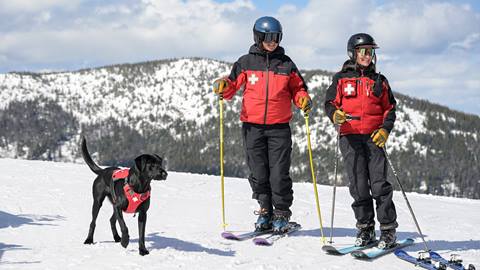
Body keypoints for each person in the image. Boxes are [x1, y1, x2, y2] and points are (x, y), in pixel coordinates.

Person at [212, 16, 311, 233]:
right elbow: (231, 85)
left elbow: (298, 89)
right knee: (258, 172)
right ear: (258, 37)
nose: (271, 42)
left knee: (278, 173)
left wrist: (303, 98)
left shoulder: (286, 64)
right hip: (252, 127)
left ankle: (282, 214)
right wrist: (222, 85)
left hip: (278, 127)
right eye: (267, 37)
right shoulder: (246, 62)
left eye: (275, 37)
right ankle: (265, 211)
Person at [324, 33, 398, 248]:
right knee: (358, 186)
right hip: (350, 137)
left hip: (374, 138)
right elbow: (329, 103)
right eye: (363, 51)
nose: (368, 55)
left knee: (379, 185)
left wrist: (385, 130)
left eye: (371, 51)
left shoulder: (380, 81)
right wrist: (335, 115)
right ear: (353, 53)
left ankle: (387, 231)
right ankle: (365, 229)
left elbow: (390, 109)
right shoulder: (340, 78)